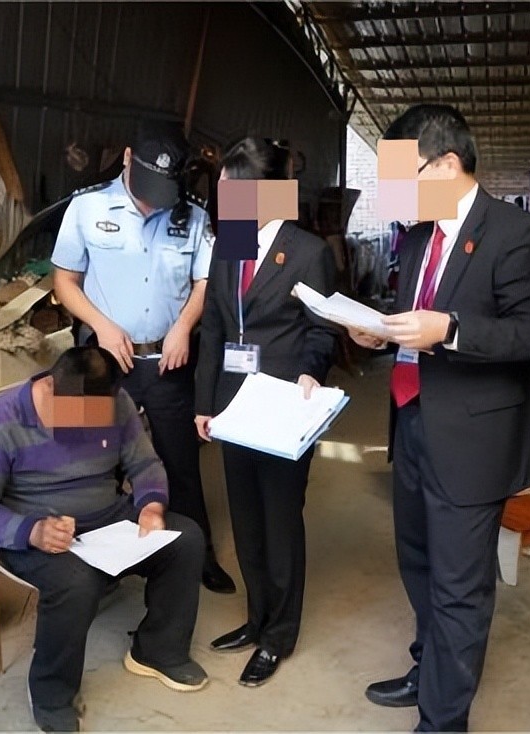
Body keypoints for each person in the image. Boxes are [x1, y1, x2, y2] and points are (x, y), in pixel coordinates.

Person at [349, 104, 530, 731]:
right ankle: (429, 670)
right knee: (418, 562)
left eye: (402, 176)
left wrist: (453, 330)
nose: (395, 194)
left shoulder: (517, 233)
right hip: (411, 419)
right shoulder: (418, 237)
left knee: (459, 587)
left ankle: (443, 721)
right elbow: (412, 320)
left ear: (445, 164)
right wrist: (380, 333)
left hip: (472, 437)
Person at [0, 346, 208, 732]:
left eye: (93, 418)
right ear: (50, 387)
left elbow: (144, 463)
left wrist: (152, 506)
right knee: (76, 580)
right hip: (33, 531)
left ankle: (158, 651)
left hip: (108, 517)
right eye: (73, 416)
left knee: (185, 539)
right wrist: (32, 531)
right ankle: (51, 693)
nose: (83, 429)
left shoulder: (117, 403)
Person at [50, 121, 235, 594]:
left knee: (180, 464)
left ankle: (198, 556)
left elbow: (205, 282)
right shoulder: (86, 207)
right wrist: (102, 325)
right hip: (105, 362)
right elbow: (64, 281)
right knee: (95, 463)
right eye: (147, 188)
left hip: (167, 363)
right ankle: (96, 567)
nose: (154, 202)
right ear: (129, 158)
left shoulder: (192, 215)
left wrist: (183, 327)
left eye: (163, 192)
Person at [193, 137, 338, 687]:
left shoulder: (308, 252)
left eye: (234, 188)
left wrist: (311, 372)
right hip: (235, 405)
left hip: (283, 406)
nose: (224, 197)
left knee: (280, 523)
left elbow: (322, 329)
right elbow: (213, 326)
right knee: (247, 522)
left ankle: (279, 635)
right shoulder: (229, 240)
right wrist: (205, 402)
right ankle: (256, 619)